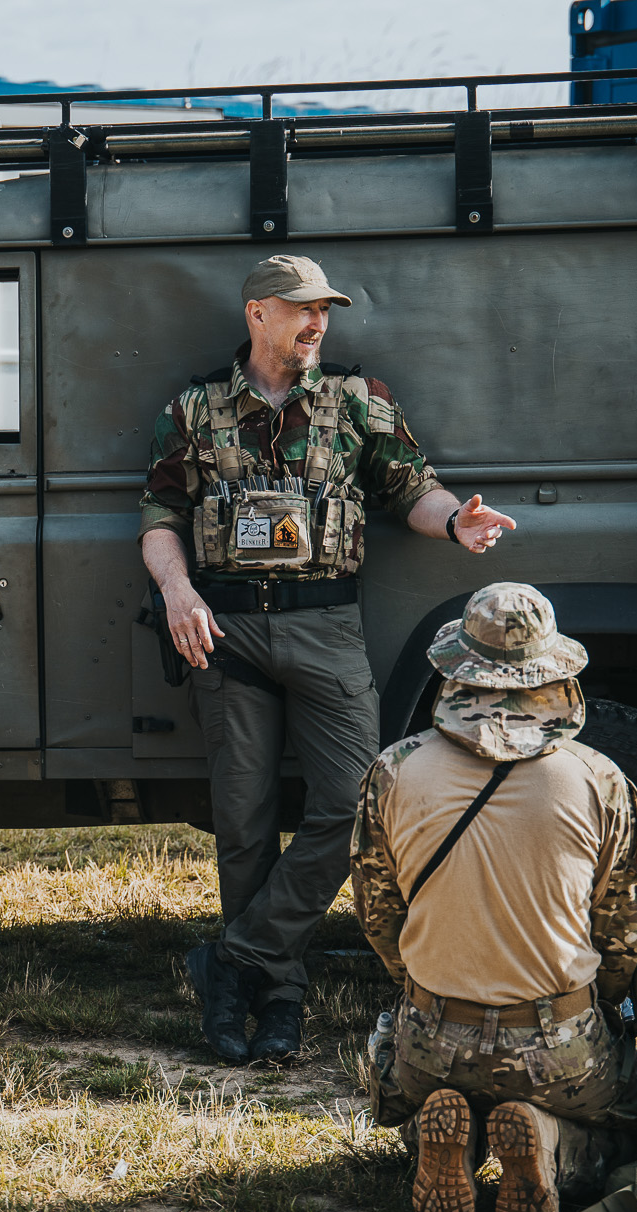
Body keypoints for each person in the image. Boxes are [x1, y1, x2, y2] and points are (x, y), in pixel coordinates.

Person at [141, 253, 518, 1066]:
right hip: (229, 633)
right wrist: (176, 592)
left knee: (353, 804)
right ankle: (272, 1001)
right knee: (241, 821)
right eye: (301, 308)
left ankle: (237, 959)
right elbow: (159, 515)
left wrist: (456, 522)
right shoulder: (195, 410)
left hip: (327, 629)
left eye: (325, 311)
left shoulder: (357, 402)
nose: (317, 323)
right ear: (258, 315)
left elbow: (413, 486)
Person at [352, 582, 637, 1212]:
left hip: (433, 1033)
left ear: (458, 670)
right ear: (555, 677)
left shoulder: (392, 770)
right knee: (635, 1111)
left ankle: (448, 1141)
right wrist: (599, 1000)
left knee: (405, 1074)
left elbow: (378, 913)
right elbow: (629, 925)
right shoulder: (599, 777)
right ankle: (547, 1143)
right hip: (558, 1037)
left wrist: (427, 977)